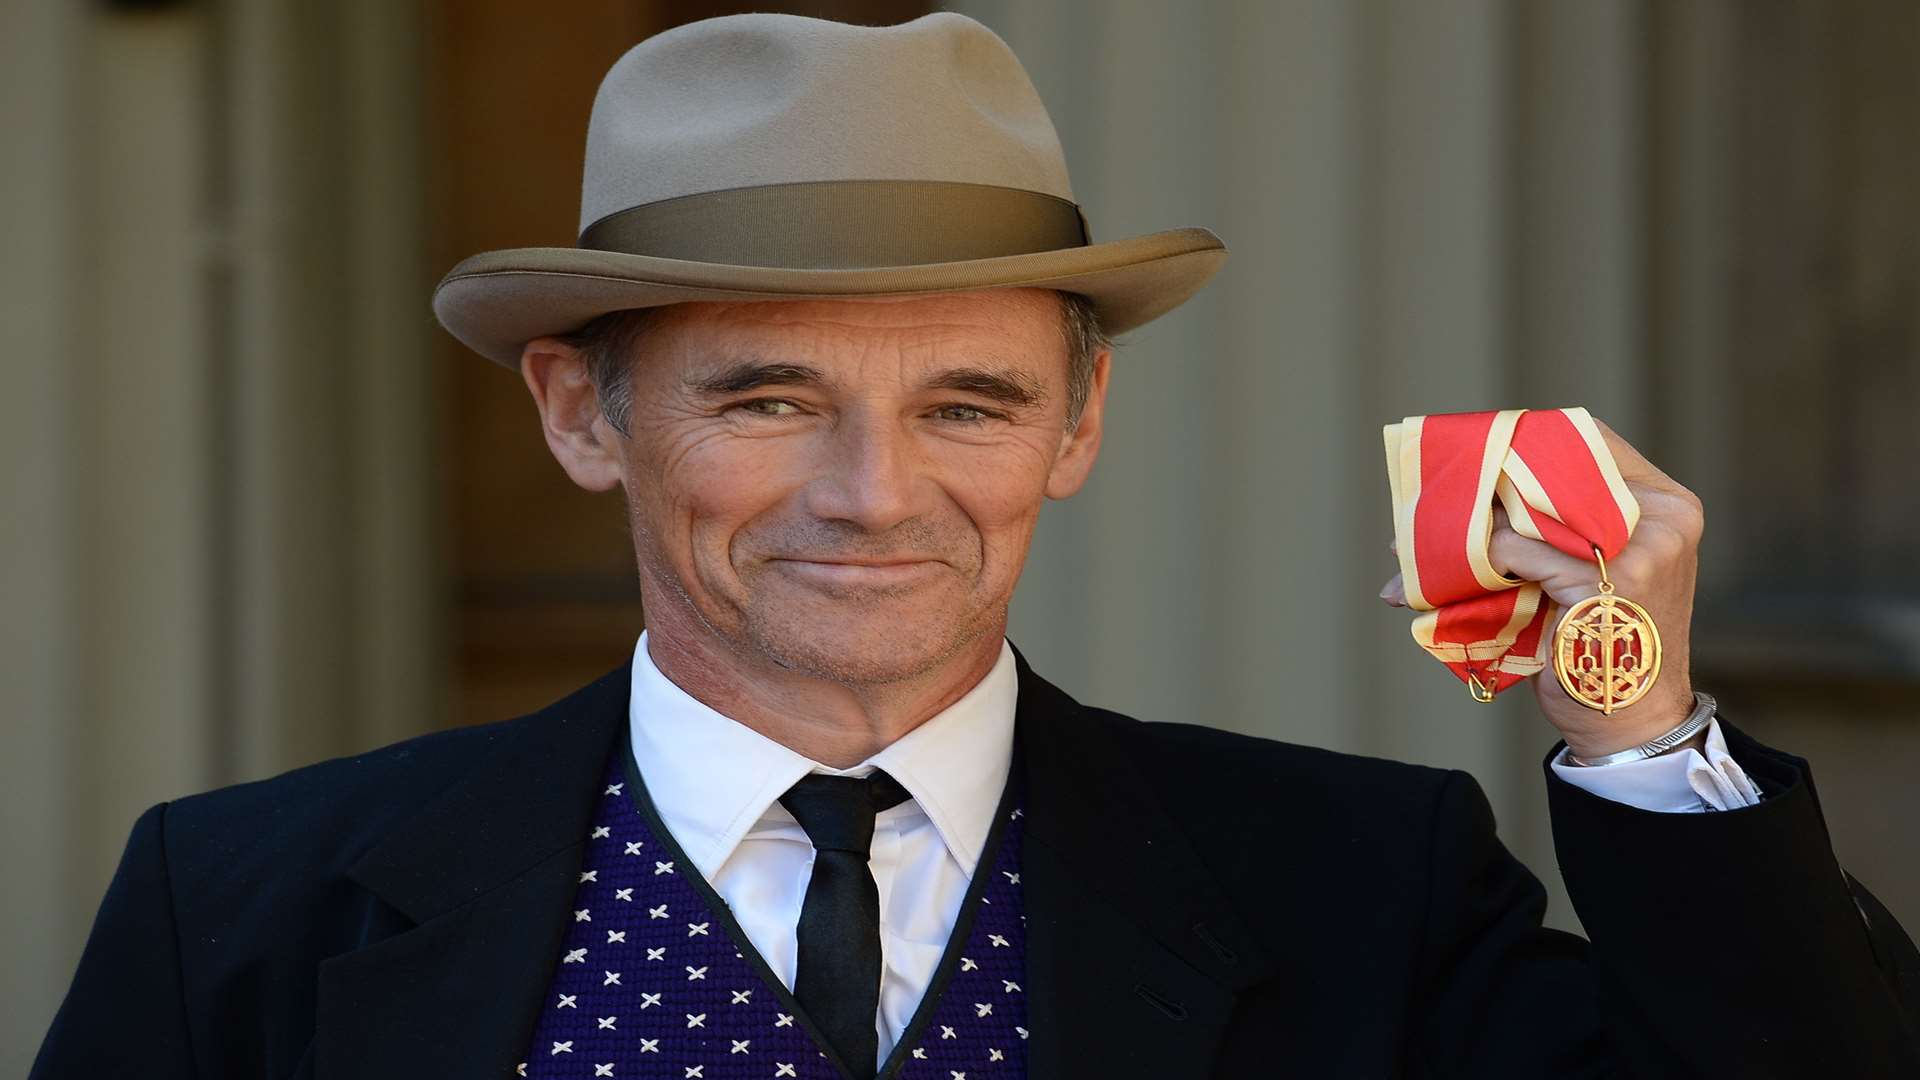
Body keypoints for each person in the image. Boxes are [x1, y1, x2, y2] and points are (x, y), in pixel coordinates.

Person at [32, 12, 1919, 1079]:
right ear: (580, 415)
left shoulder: (1358, 886)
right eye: (769, 400)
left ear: (1077, 427)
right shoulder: (252, 908)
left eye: (969, 403)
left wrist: (1637, 715)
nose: (874, 493)